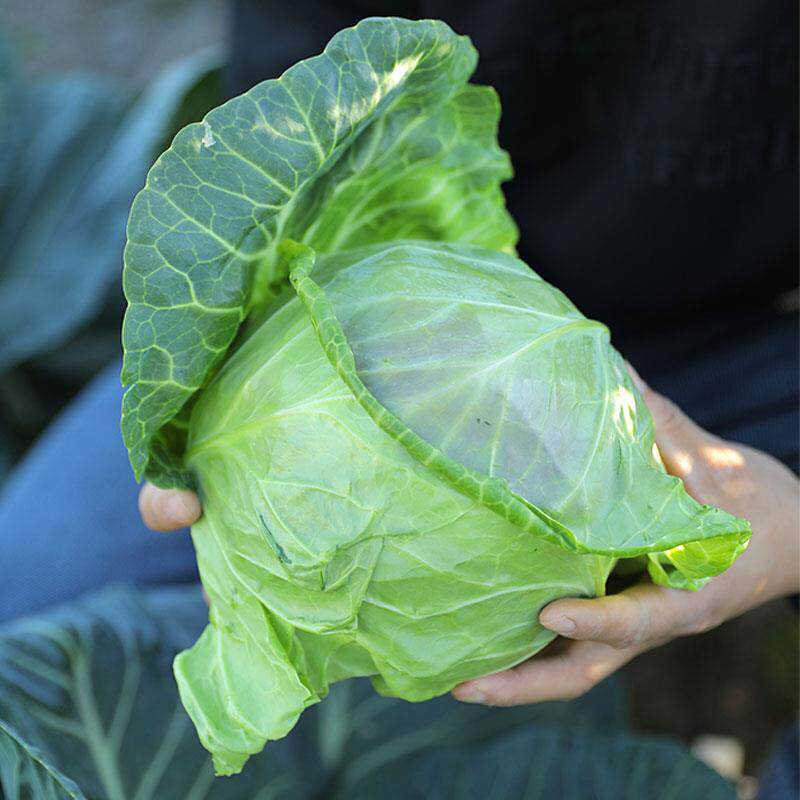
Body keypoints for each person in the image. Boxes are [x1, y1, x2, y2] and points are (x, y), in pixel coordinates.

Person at [0, 0, 796, 794]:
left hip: (760, 349)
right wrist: (210, 390)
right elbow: (298, 129)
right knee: (25, 605)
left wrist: (791, 526)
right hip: (411, 309)